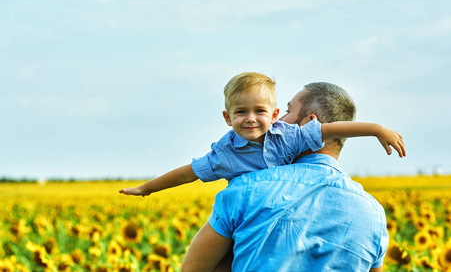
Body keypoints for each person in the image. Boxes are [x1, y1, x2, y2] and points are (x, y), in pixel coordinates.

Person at [182, 82, 403, 272]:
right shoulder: (374, 214)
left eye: (286, 112)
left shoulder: (245, 188)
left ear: (309, 123)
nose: (275, 123)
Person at [119, 73, 405, 198]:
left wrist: (376, 129)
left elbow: (332, 130)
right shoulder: (225, 153)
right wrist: (147, 188)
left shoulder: (288, 136)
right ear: (227, 118)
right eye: (241, 112)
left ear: (273, 114)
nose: (251, 118)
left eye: (259, 111)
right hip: (248, 217)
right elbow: (187, 173)